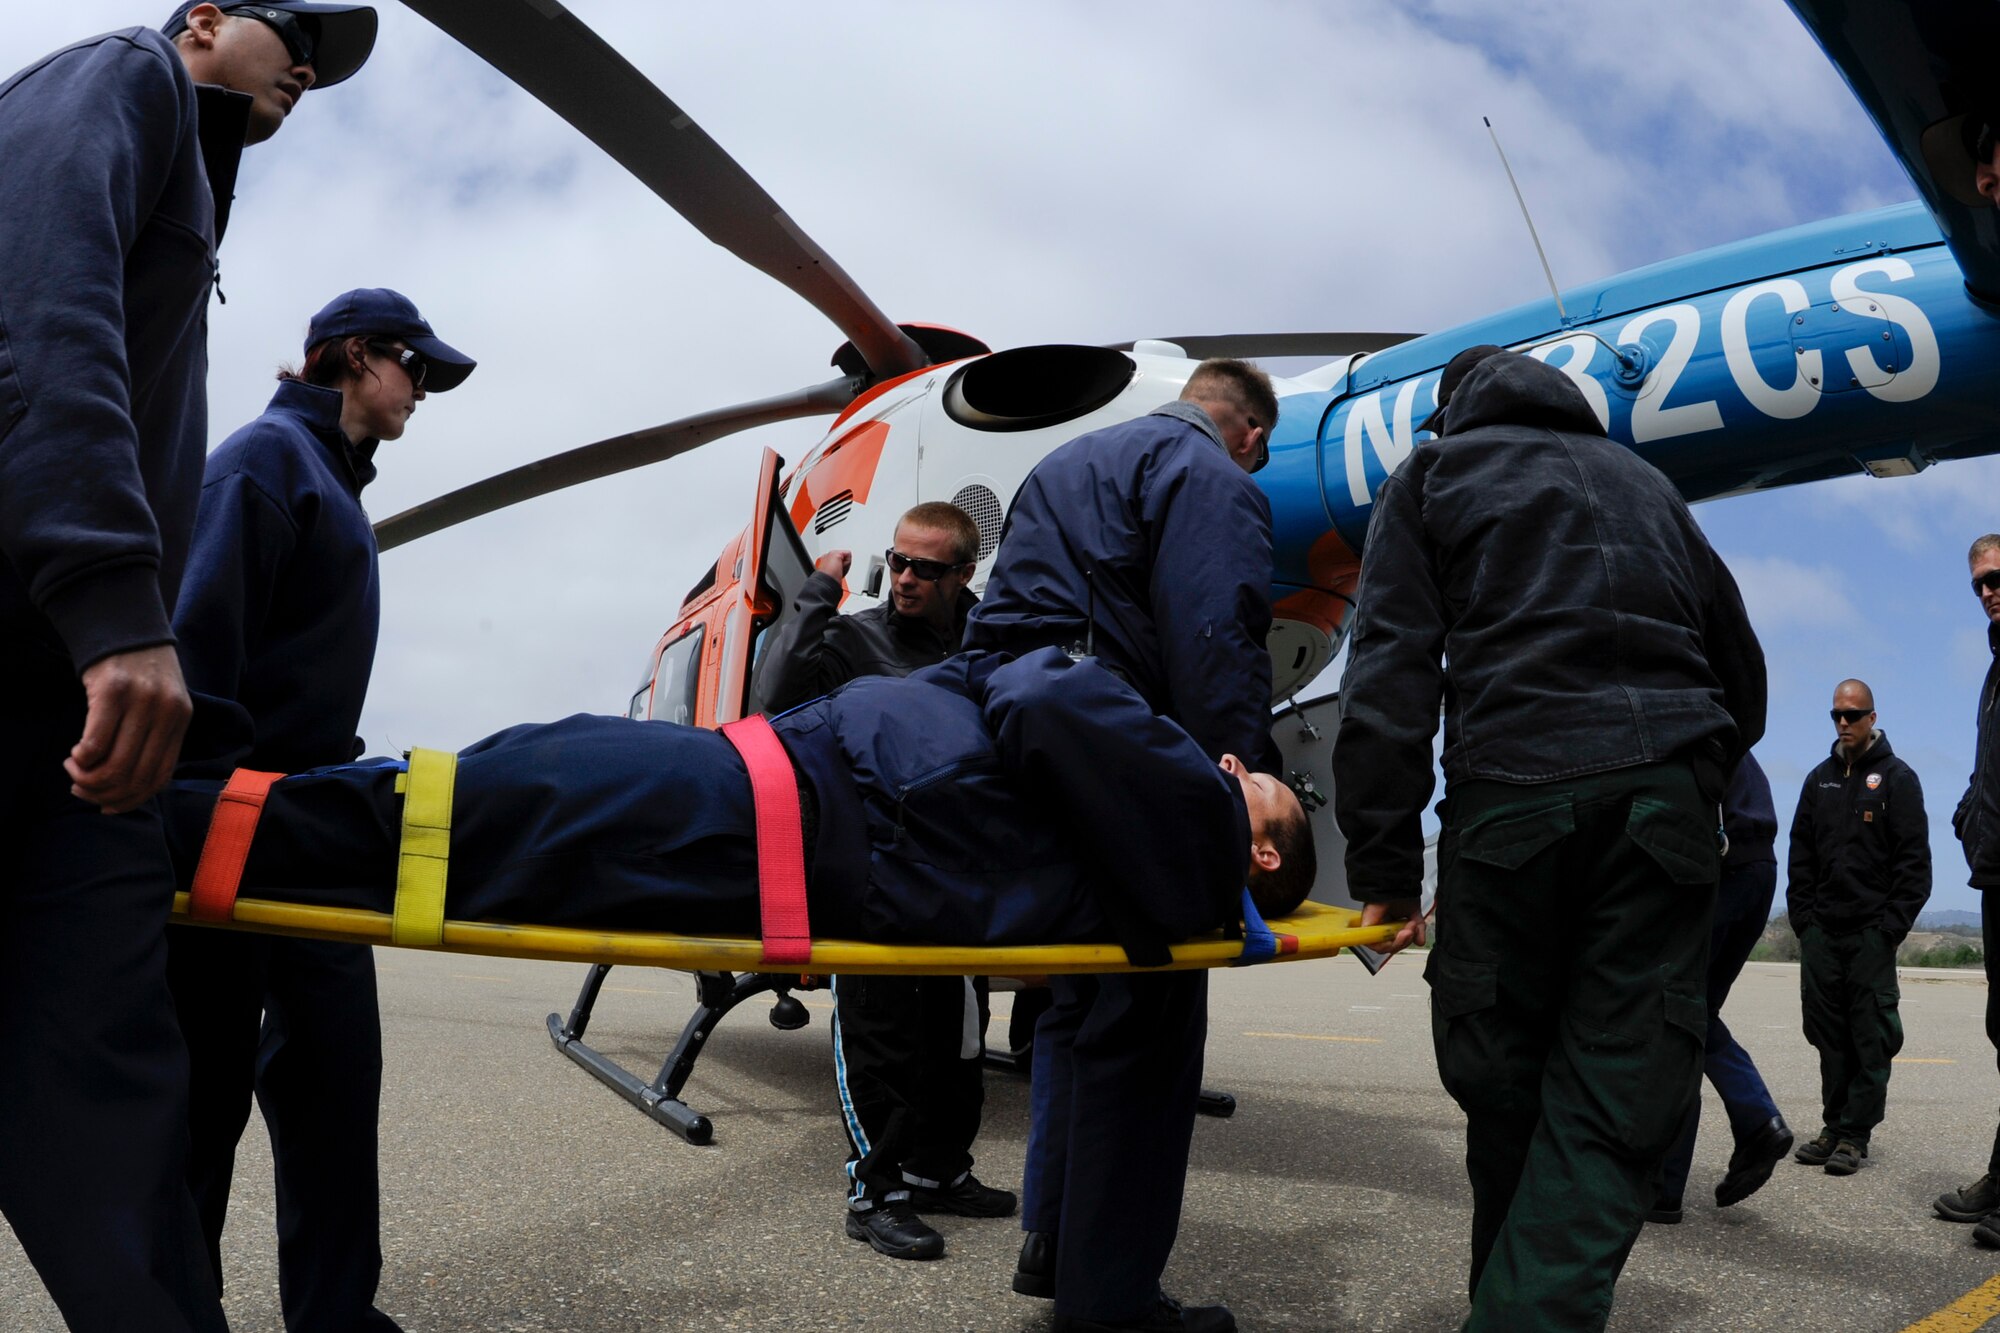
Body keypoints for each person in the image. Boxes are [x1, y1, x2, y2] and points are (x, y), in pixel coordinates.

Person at [0, 5, 375, 1329]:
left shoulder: (198, 197)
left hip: (72, 729)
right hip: (59, 652)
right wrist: (117, 606)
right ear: (206, 20)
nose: (313, 69)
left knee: (118, 1116)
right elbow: (38, 316)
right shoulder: (122, 78)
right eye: (298, 34)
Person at [1333, 345, 1765, 1332]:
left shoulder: (1432, 474)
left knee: (1504, 1080)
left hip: (1509, 798)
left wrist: (1386, 873)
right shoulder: (1646, 483)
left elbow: (1388, 680)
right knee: (1613, 1092)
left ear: (1451, 411)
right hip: (1664, 803)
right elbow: (1741, 674)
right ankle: (1517, 1301)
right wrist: (1678, 774)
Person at [161, 649, 1312, 956]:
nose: (1218, 765)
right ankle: (162, 825)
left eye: (1244, 784)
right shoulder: (1154, 837)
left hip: (756, 807)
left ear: (1257, 850)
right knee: (454, 806)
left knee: (460, 807)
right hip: (754, 802)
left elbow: (1037, 687)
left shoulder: (1183, 830)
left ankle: (136, 828)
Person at [166, 289, 474, 1332]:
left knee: (337, 1085)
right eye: (414, 368)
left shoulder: (333, 485)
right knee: (200, 1103)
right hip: (232, 824)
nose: (420, 391)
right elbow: (198, 651)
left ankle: (337, 1315)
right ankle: (173, 1307)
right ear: (353, 356)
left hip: (311, 827)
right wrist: (206, 820)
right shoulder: (262, 462)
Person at [965, 357, 1284, 1333]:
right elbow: (1215, 628)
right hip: (1106, 742)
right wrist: (1241, 787)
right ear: (1250, 435)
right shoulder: (1210, 477)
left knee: (1073, 1007)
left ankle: (1052, 1245)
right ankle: (1111, 1305)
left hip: (1015, 735)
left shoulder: (1064, 462)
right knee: (1148, 1023)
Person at [754, 502, 1013, 1260]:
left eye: (926, 569)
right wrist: (812, 597)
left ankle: (939, 1172)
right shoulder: (853, 636)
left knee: (960, 1037)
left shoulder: (986, 636)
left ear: (963, 573)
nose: (903, 578)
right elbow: (774, 698)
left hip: (958, 873)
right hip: (871, 873)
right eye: (897, 561)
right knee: (880, 1036)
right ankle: (875, 1191)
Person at [1785, 679, 1930, 1176]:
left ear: (1872, 717)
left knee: (1870, 1035)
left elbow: (1915, 865)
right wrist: (1803, 919)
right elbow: (1800, 855)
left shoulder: (1897, 779)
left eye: (1853, 714)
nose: (1844, 723)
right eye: (1837, 716)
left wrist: (1889, 929)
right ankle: (1833, 1126)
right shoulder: (1817, 779)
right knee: (1828, 1034)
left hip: (1871, 932)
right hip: (1822, 931)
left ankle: (1855, 1135)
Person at [1647, 751, 1793, 1224]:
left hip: (1723, 869)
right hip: (1756, 868)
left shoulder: (1671, 707)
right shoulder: (1717, 711)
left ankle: (1669, 1183)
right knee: (1693, 1013)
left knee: (1676, 1014)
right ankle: (1752, 1123)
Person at [1938, 534, 2000, 1241]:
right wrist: (1967, 814)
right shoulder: (1994, 669)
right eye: (1979, 583)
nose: (1987, 589)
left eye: (1997, 577)